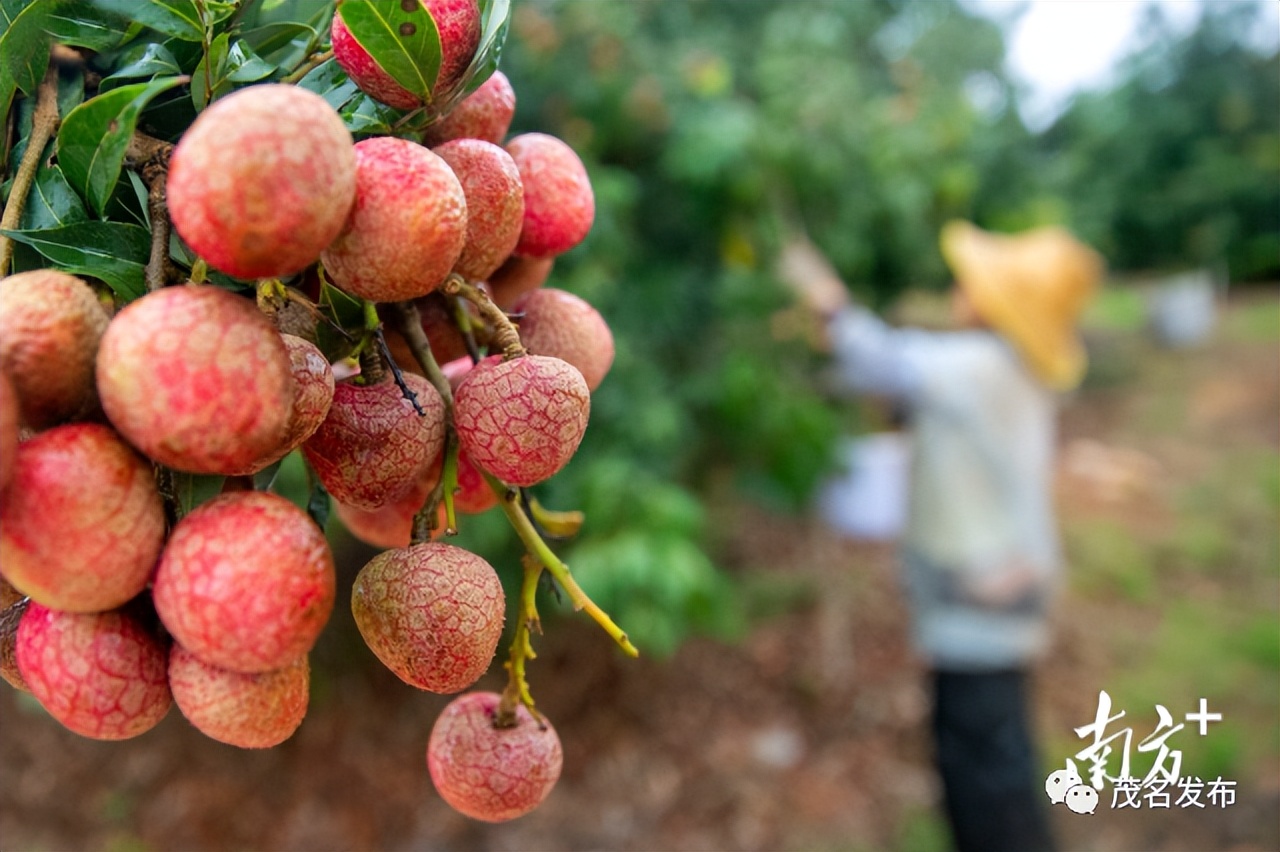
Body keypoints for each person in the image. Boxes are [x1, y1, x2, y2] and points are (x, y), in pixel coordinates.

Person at [780, 221, 1103, 852]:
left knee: (984, 770)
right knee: (992, 750)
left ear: (987, 302)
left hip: (984, 597)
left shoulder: (981, 366)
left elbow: (878, 359)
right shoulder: (1009, 368)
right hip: (1004, 589)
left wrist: (825, 298)